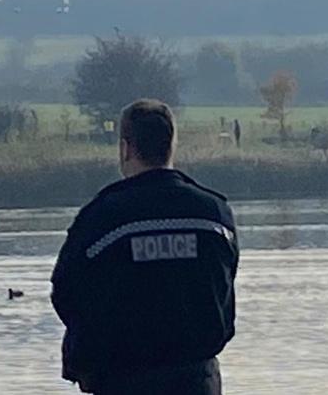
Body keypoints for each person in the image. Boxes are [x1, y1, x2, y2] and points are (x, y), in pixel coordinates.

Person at [51, 99, 239, 395]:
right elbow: (225, 287)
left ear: (126, 148)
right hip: (197, 379)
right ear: (171, 145)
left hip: (122, 379)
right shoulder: (214, 215)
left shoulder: (103, 217)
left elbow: (66, 292)